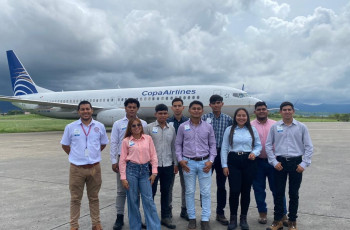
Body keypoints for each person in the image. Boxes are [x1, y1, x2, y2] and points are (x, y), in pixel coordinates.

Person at [61, 101, 109, 230]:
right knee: (75, 199)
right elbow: (65, 145)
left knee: (94, 197)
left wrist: (93, 156)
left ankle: (96, 223)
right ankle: (74, 225)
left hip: (94, 168)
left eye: (87, 109)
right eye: (82, 109)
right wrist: (76, 156)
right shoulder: (70, 127)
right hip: (77, 169)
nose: (85, 111)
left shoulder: (99, 126)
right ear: (78, 112)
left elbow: (103, 144)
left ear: (92, 110)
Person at [266, 102, 313, 230]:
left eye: (289, 110)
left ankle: (292, 221)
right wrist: (274, 162)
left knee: (294, 193)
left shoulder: (301, 127)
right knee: (278, 193)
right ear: (280, 112)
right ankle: (278, 220)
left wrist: (304, 163)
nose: (287, 112)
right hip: (280, 163)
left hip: (296, 163)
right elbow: (268, 145)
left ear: (293, 111)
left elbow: (309, 146)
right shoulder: (275, 127)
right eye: (284, 110)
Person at [175, 100, 216, 230]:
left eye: (199, 108)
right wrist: (180, 160)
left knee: (205, 192)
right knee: (189, 191)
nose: (196, 110)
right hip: (188, 163)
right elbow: (178, 144)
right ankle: (192, 218)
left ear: (202, 111)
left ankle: (205, 219)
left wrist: (211, 160)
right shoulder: (183, 127)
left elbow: (213, 145)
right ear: (189, 110)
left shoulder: (208, 127)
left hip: (205, 163)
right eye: (194, 108)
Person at [221, 108, 262, 230]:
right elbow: (224, 148)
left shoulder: (252, 129)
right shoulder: (229, 130)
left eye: (244, 115)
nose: (241, 117)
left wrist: (254, 152)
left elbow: (258, 145)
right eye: (239, 115)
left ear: (247, 117)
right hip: (233, 161)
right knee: (234, 191)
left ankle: (243, 218)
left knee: (246, 191)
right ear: (235, 117)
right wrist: (224, 165)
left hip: (249, 161)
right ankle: (233, 218)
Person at [110, 98, 147, 230]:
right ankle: (119, 217)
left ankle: (136, 218)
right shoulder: (118, 124)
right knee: (121, 191)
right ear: (125, 108)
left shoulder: (143, 123)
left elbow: (145, 142)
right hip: (122, 160)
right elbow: (114, 142)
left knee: (136, 193)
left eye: (134, 107)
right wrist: (114, 161)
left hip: (138, 162)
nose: (131, 109)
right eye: (129, 107)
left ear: (137, 109)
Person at [119, 118, 161, 230]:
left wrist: (154, 172)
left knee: (148, 200)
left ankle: (154, 227)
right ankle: (135, 226)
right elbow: (122, 160)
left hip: (145, 171)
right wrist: (123, 178)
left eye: (139, 125)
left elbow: (153, 156)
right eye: (134, 126)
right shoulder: (126, 141)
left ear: (142, 127)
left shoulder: (148, 139)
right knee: (132, 200)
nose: (137, 127)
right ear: (130, 128)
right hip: (131, 171)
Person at [251, 102, 288, 226]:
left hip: (274, 162)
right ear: (255, 112)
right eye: (259, 109)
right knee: (258, 189)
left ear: (267, 111)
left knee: (278, 189)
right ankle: (262, 213)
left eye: (263, 109)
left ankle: (282, 214)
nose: (261, 111)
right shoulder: (250, 125)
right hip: (257, 162)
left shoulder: (276, 125)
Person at [144, 104, 177, 229]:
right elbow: (145, 146)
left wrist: (175, 163)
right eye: (160, 113)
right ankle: (150, 218)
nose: (162, 115)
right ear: (155, 114)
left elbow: (173, 147)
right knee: (150, 192)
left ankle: (165, 217)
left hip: (168, 165)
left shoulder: (172, 129)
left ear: (167, 115)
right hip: (153, 166)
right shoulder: (149, 128)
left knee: (166, 191)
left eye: (165, 113)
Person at [202, 95, 233, 226]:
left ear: (222, 104)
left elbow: (232, 138)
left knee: (221, 186)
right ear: (210, 105)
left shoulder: (228, 119)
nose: (216, 105)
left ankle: (220, 213)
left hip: (222, 154)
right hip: (207, 155)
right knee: (205, 187)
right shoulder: (204, 118)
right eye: (213, 103)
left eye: (218, 103)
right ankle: (205, 215)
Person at [167, 98, 189, 221]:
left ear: (183, 107)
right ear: (172, 108)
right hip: (171, 159)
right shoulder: (167, 122)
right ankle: (168, 209)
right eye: (174, 106)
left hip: (185, 159)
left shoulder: (188, 122)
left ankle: (184, 210)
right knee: (169, 186)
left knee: (186, 186)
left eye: (179, 105)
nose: (177, 108)